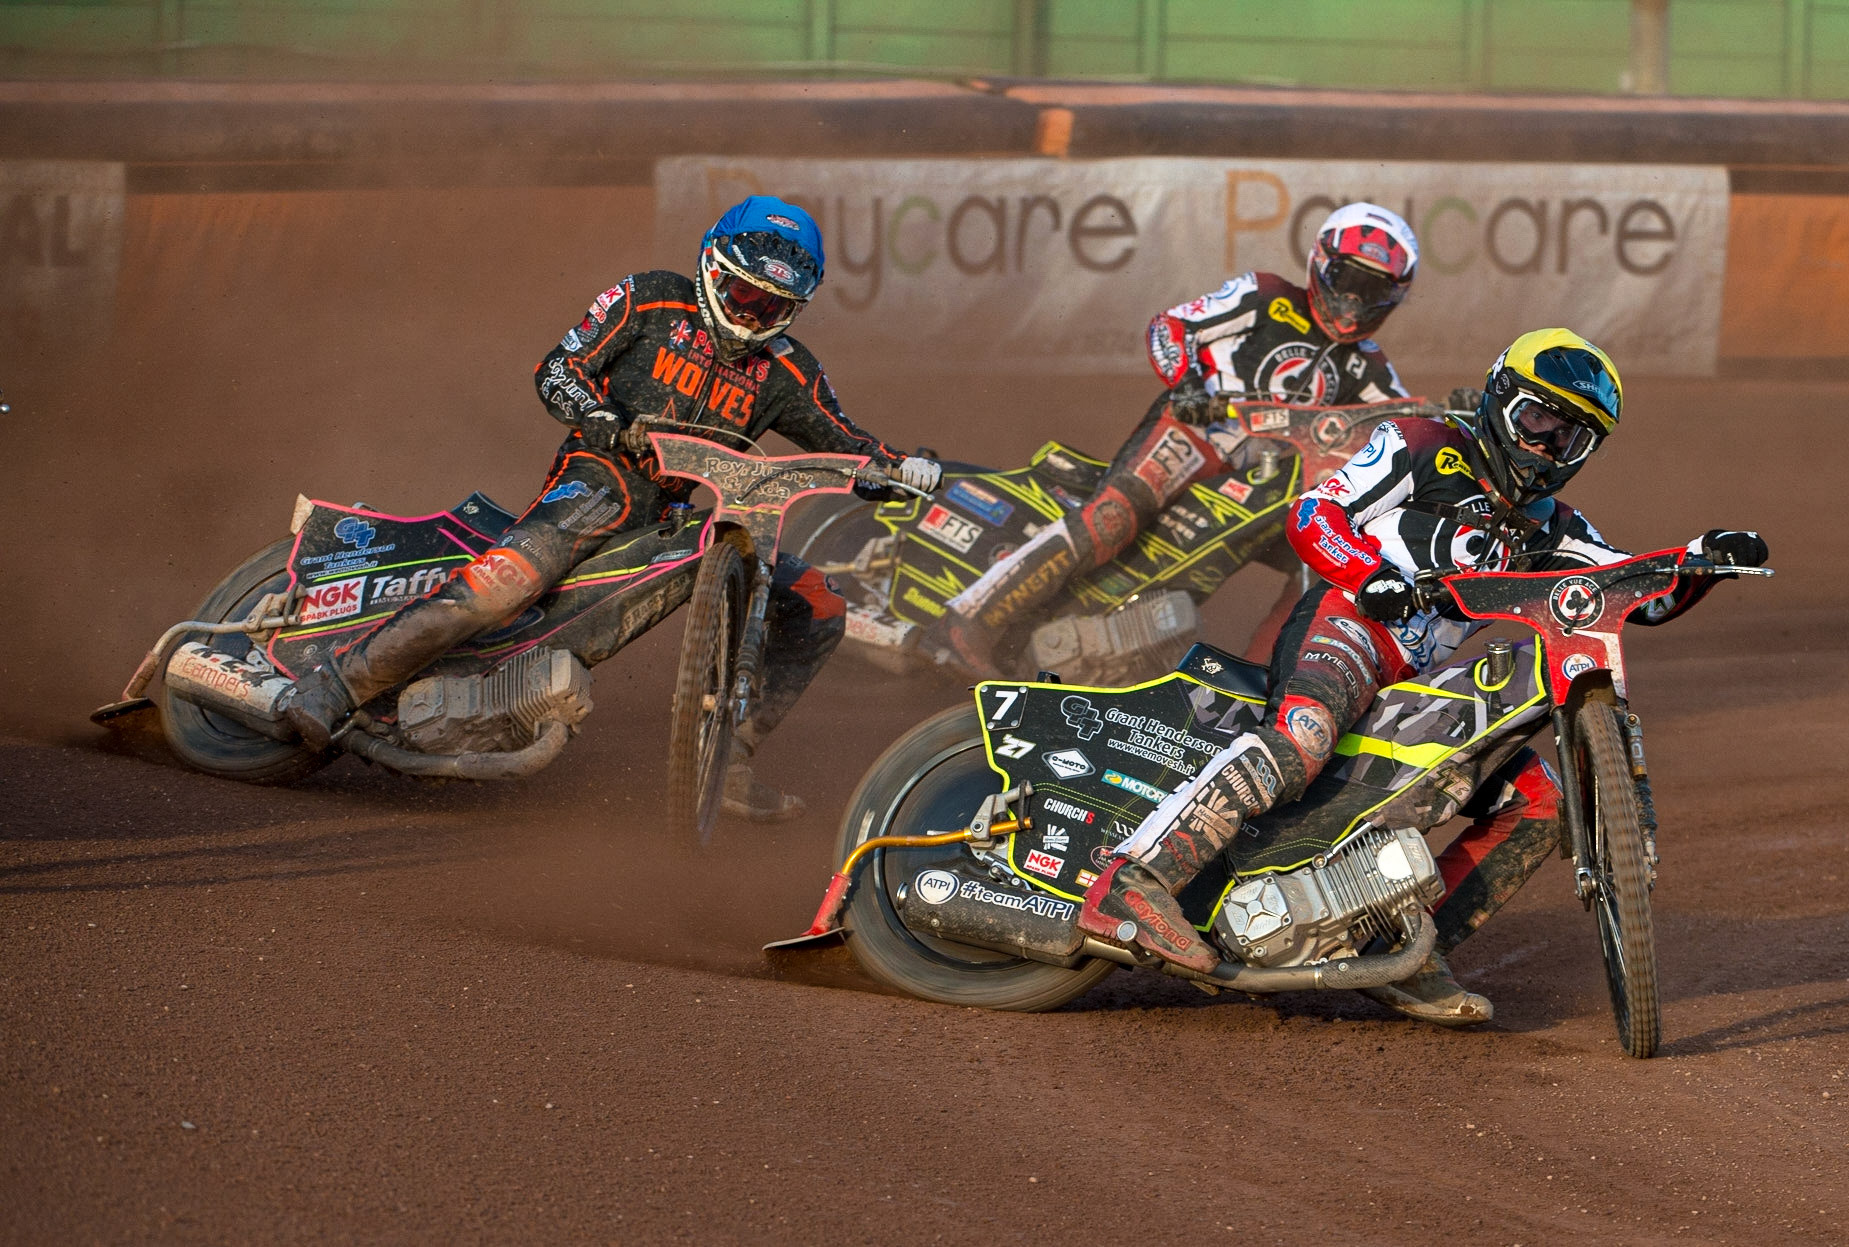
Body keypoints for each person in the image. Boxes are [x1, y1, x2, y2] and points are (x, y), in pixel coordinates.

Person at [1074, 328, 1769, 1024]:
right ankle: (1134, 879)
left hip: (1417, 682)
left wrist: (1699, 561)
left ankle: (1403, 951)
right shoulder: (1421, 443)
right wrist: (1370, 575)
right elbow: (1314, 513)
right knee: (1303, 739)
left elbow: (1628, 593)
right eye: (1537, 419)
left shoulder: (1550, 528)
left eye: (1569, 439)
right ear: (1501, 397)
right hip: (1349, 621)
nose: (1545, 446)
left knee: (1538, 802)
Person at [282, 196, 941, 821]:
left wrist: (903, 469)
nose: (753, 314)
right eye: (745, 294)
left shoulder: (787, 371)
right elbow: (557, 368)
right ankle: (336, 686)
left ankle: (728, 761)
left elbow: (849, 445)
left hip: (673, 519)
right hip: (597, 479)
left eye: (773, 306)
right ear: (714, 268)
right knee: (509, 580)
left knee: (821, 603)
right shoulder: (652, 298)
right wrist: (600, 415)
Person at [920, 202, 1420, 678]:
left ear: (1395, 298)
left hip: (1264, 482)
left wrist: (1450, 417)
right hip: (1199, 430)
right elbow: (1172, 325)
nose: (1354, 300)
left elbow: (1399, 429)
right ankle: (966, 621)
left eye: (1373, 290)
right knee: (1113, 518)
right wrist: (1185, 387)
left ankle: (1265, 686)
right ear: (1321, 263)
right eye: (1349, 280)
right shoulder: (1265, 294)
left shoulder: (1370, 367)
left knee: (1319, 566)